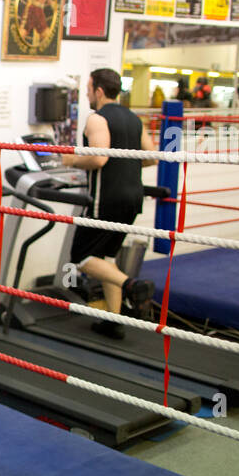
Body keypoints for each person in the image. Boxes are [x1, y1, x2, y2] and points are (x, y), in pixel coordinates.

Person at [58, 68, 160, 338]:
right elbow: (151, 157)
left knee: (81, 258)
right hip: (133, 198)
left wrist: (71, 159)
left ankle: (132, 285)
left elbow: (99, 158)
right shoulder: (133, 119)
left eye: (89, 88)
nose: (88, 94)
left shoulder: (97, 118)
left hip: (107, 198)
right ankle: (113, 320)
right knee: (106, 257)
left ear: (99, 91)